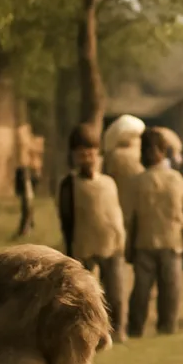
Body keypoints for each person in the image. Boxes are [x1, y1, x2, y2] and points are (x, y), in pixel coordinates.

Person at [123, 128, 183, 338]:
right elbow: (133, 218)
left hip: (160, 243)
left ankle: (153, 328)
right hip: (156, 244)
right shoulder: (150, 180)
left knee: (155, 291)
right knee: (158, 291)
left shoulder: (150, 181)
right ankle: (150, 328)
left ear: (160, 151)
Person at [58, 123, 127, 342]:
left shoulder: (109, 182)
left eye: (91, 153)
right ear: (74, 156)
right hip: (83, 247)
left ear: (98, 153)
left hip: (112, 246)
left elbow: (115, 214)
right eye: (82, 154)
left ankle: (119, 332)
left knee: (115, 294)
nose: (87, 158)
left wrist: (121, 240)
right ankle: (87, 334)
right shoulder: (69, 185)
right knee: (82, 296)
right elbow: (66, 220)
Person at [14, 160, 40, 237]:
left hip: (31, 196)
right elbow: (18, 185)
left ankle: (29, 227)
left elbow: (36, 182)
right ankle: (24, 230)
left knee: (30, 211)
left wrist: (36, 172)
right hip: (25, 197)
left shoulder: (30, 177)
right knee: (26, 212)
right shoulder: (21, 176)